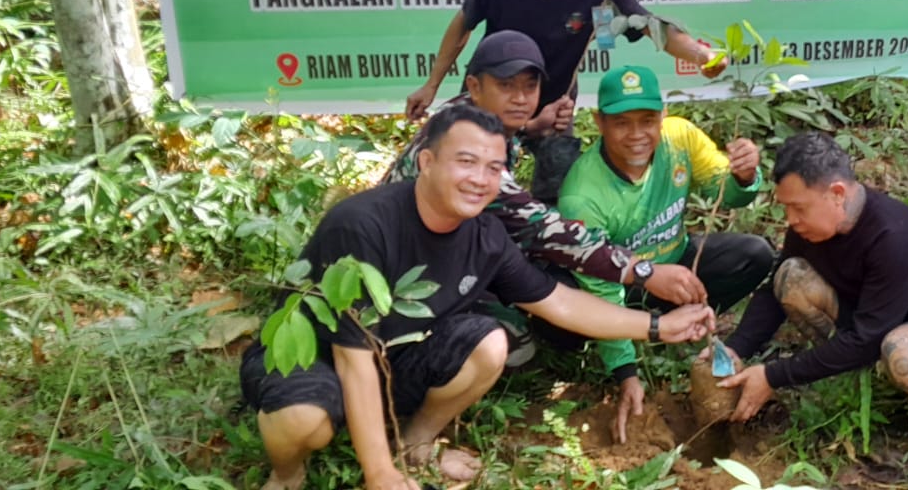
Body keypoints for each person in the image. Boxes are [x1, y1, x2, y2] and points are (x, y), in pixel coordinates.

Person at [238, 104, 716, 490]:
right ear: (426, 161)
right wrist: (380, 475)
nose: (479, 179)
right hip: (316, 355)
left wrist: (657, 327)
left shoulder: (485, 233)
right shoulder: (364, 226)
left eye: (494, 168)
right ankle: (288, 475)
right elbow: (353, 359)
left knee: (491, 343)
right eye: (465, 162)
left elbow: (560, 303)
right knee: (304, 422)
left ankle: (415, 441)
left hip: (397, 353)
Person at [403, 0, 728, 201]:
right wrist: (431, 85)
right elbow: (462, 26)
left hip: (555, 107)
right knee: (474, 184)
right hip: (493, 102)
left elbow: (652, 27)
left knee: (559, 190)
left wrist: (702, 55)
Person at [716, 132, 908, 476]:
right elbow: (774, 294)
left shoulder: (893, 238)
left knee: (904, 352)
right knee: (790, 278)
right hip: (878, 320)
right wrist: (736, 348)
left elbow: (868, 339)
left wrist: (773, 376)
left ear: (837, 194)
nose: (790, 219)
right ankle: (857, 372)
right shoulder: (809, 227)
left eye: (799, 207)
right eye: (785, 207)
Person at [381, 30, 709, 320]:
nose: (521, 98)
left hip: (434, 245)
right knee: (513, 334)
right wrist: (644, 271)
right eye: (506, 86)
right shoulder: (465, 145)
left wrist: (528, 129)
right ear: (475, 87)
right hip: (398, 269)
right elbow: (542, 229)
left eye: (530, 85)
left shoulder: (472, 114)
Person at [547, 65, 774, 443]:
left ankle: (678, 324)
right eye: (621, 123)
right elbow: (601, 287)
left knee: (755, 254)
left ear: (663, 116)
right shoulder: (583, 194)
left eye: (647, 120)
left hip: (676, 264)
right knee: (561, 320)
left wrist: (745, 176)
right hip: (622, 286)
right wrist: (627, 374)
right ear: (599, 121)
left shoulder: (679, 138)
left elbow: (727, 192)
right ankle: (641, 333)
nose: (637, 135)